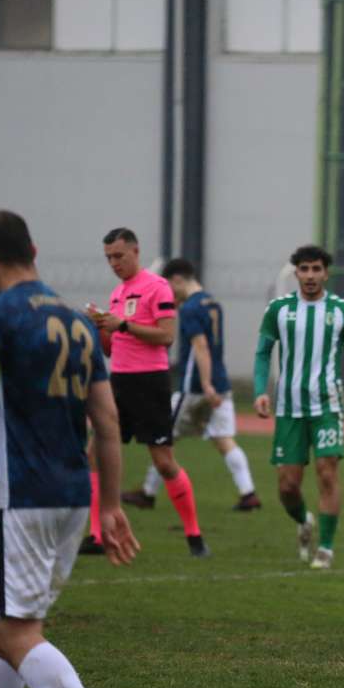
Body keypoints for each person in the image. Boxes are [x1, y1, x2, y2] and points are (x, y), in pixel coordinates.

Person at [0, 210, 147, 688]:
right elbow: (107, 418)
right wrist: (110, 506)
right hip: (73, 498)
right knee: (11, 631)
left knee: (14, 630)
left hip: (13, 497)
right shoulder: (77, 323)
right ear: (35, 250)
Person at [253, 245, 344, 569]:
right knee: (287, 486)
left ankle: (325, 548)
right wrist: (260, 391)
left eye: (316, 269)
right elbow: (262, 353)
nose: (310, 276)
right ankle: (303, 519)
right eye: (304, 269)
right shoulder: (278, 310)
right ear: (295, 272)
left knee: (327, 472)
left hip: (327, 405)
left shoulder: (343, 311)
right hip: (288, 407)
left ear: (326, 273)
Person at [86, 227, 209, 557]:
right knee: (94, 453)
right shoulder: (117, 294)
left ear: (136, 252)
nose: (114, 263)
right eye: (109, 258)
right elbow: (112, 349)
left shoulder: (158, 287)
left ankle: (194, 535)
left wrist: (122, 325)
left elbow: (166, 337)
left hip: (150, 383)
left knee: (164, 462)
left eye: (119, 256)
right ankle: (97, 536)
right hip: (119, 383)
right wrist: (101, 328)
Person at [120, 258, 261, 513]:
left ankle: (148, 493)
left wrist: (205, 385)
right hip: (221, 382)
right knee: (223, 439)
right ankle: (248, 493)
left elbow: (201, 347)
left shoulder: (190, 309)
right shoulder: (213, 303)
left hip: (195, 387)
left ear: (177, 280)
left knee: (162, 438)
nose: (168, 295)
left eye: (168, 288)